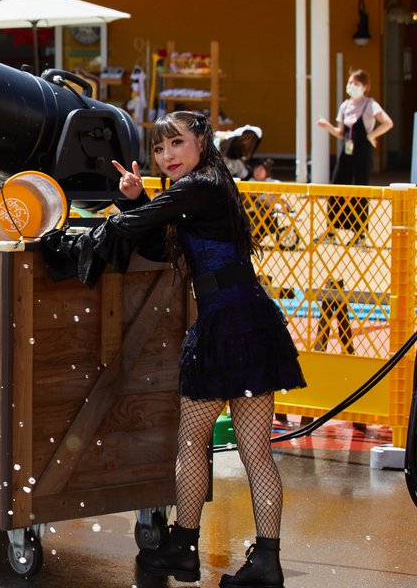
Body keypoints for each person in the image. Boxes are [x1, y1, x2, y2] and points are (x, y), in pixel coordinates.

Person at [42, 110, 305, 588]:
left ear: (202, 141)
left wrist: (121, 212)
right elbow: (165, 246)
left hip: (228, 325)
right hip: (246, 320)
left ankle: (186, 547)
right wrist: (138, 199)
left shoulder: (197, 187)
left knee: (192, 441)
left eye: (176, 144)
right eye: (160, 149)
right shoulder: (206, 187)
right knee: (253, 453)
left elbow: (133, 230)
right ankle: (262, 560)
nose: (166, 157)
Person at [315, 69, 393, 246]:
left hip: (362, 155)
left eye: (356, 83)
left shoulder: (370, 105)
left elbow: (388, 123)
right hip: (346, 153)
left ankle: (359, 234)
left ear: (365, 87)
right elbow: (341, 133)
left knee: (360, 191)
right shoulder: (344, 105)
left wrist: (372, 135)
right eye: (350, 82)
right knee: (336, 188)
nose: (351, 86)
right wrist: (326, 126)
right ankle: (331, 230)